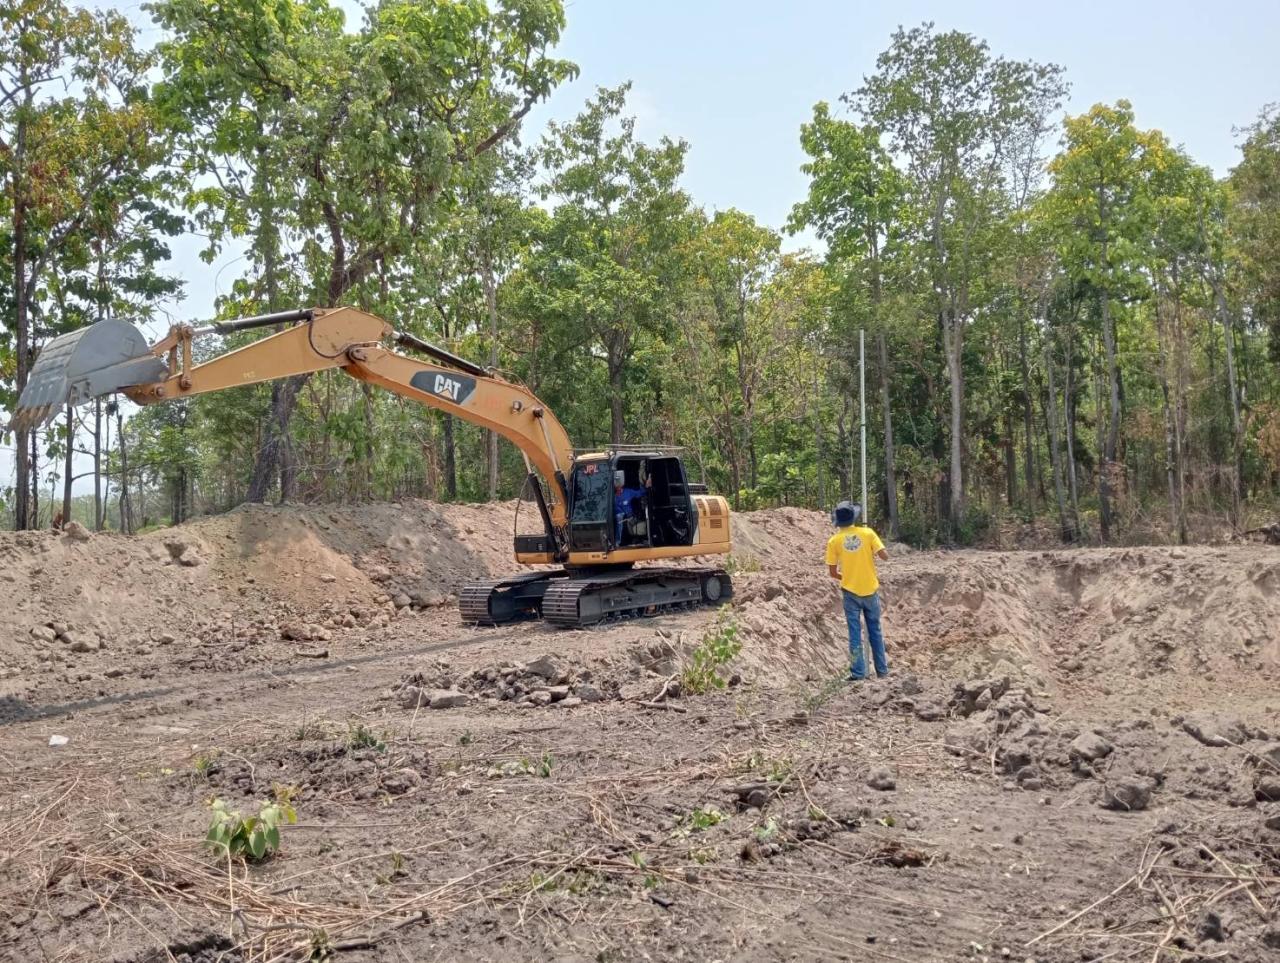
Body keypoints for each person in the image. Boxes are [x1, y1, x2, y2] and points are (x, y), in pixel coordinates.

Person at [825, 500, 889, 681]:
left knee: (854, 633)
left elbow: (832, 572)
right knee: (875, 631)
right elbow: (885, 556)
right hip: (870, 589)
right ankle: (882, 671)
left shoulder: (834, 541)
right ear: (854, 517)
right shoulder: (868, 533)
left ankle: (858, 673)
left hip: (850, 592)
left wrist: (845, 577)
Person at [613, 470, 650, 546]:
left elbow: (640, 493)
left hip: (630, 517)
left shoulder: (628, 492)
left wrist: (646, 486)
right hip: (616, 518)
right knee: (619, 517)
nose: (617, 488)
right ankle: (617, 542)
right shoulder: (611, 496)